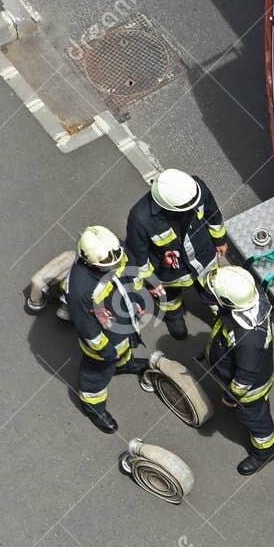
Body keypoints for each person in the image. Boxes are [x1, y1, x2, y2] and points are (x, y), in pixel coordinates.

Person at [125, 168, 227, 340]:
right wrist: (151, 283)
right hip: (168, 274)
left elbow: (213, 214)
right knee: (169, 299)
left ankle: (222, 316)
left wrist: (220, 239)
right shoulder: (140, 218)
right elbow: (137, 257)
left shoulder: (195, 190)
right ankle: (174, 317)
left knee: (213, 290)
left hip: (203, 257)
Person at [66, 225, 149, 433]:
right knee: (97, 370)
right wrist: (104, 350)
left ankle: (124, 363)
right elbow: (87, 327)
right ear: (87, 259)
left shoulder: (115, 251)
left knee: (125, 345)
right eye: (105, 265)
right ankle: (93, 405)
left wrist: (137, 298)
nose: (112, 265)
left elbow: (132, 275)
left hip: (124, 318)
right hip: (103, 336)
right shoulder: (79, 287)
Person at [205, 266, 274, 475]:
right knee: (255, 411)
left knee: (255, 418)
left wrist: (231, 397)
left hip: (248, 392)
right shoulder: (250, 298)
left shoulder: (248, 340)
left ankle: (266, 450)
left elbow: (245, 377)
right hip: (244, 375)